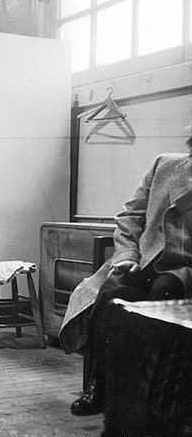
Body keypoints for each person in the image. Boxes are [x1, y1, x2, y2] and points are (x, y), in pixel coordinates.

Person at [59, 136, 192, 417]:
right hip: (143, 260)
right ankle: (99, 386)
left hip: (183, 268)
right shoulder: (166, 165)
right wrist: (127, 256)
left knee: (164, 291)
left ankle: (146, 395)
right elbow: (129, 216)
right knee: (111, 292)